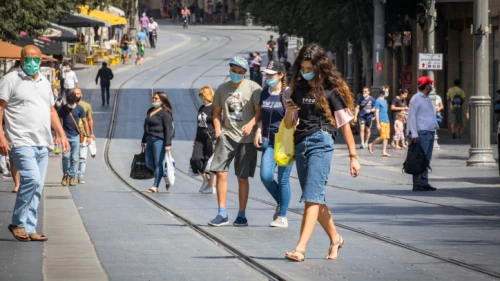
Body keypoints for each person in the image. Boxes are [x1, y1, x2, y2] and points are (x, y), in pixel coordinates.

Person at [283, 44, 360, 262]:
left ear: (320, 68)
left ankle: (300, 248)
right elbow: (289, 125)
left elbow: (345, 125)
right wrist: (289, 111)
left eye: (309, 68)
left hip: (322, 142)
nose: (305, 72)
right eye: (302, 68)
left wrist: (354, 158)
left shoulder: (331, 91)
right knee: (315, 197)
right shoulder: (297, 90)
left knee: (311, 198)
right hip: (301, 144)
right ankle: (335, 239)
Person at [0, 45, 69, 242]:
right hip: (20, 140)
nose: (32, 62)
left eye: (35, 58)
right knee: (31, 179)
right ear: (21, 59)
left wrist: (62, 135)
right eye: (27, 58)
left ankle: (29, 228)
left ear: (41, 60)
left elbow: (51, 112)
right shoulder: (10, 80)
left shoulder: (45, 83)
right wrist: (1, 136)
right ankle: (17, 223)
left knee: (38, 187)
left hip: (42, 142)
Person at [208, 57, 262, 227]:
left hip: (246, 139)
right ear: (230, 70)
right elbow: (216, 113)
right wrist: (218, 131)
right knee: (221, 173)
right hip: (227, 136)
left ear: (245, 73)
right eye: (234, 71)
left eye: (240, 72)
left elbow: (259, 113)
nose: (236, 75)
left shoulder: (254, 88)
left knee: (242, 177)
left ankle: (241, 214)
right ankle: (221, 213)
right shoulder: (222, 89)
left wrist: (251, 124)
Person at [254, 61, 293, 228]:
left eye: (271, 74)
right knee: (266, 176)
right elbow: (261, 116)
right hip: (268, 140)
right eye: (266, 74)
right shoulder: (264, 93)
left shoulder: (289, 94)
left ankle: (282, 216)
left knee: (283, 179)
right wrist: (258, 131)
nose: (268, 77)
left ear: (281, 75)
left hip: (285, 141)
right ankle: (282, 203)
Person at [407, 76, 439, 191]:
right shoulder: (416, 99)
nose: (431, 86)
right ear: (426, 85)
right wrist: (413, 134)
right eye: (430, 84)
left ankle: (424, 182)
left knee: (426, 159)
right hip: (421, 133)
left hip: (429, 132)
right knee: (419, 158)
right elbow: (412, 117)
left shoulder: (427, 98)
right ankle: (417, 183)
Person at [141, 92, 174, 193]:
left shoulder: (165, 114)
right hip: (149, 139)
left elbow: (168, 129)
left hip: (159, 140)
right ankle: (163, 174)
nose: (154, 100)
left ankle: (155, 186)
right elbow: (146, 127)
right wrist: (143, 140)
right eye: (153, 98)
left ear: (162, 101)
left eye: (156, 99)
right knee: (148, 162)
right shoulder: (150, 111)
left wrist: (167, 144)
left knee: (158, 163)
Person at [58, 90, 91, 186]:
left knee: (74, 158)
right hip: (65, 136)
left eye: (72, 103)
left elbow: (85, 122)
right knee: (65, 156)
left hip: (76, 136)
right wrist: (57, 136)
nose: (71, 105)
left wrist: (88, 136)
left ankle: (72, 177)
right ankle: (65, 174)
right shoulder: (63, 109)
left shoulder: (80, 109)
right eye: (69, 103)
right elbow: (58, 122)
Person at [190, 86, 217, 194]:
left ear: (205, 95)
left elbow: (217, 124)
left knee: (209, 163)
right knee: (195, 159)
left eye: (201, 95)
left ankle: (211, 186)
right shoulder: (201, 108)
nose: (201, 97)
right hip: (200, 139)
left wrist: (218, 138)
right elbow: (198, 124)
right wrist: (196, 137)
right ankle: (206, 181)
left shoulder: (214, 108)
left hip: (211, 138)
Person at [76, 90, 95, 184]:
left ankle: (80, 176)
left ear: (81, 95)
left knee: (82, 158)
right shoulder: (69, 106)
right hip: (72, 134)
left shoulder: (87, 106)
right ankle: (70, 175)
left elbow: (90, 119)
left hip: (83, 135)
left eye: (78, 93)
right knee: (71, 157)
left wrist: (91, 133)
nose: (76, 95)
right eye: (75, 94)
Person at [368, 85, 391, 157]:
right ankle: (371, 144)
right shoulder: (378, 101)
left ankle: (384, 151)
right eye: (387, 91)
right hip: (382, 120)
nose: (388, 93)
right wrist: (377, 123)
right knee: (382, 136)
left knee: (386, 137)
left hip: (386, 120)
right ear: (383, 92)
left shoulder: (385, 100)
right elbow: (377, 112)